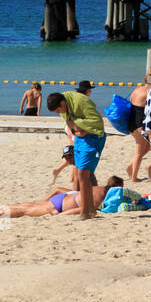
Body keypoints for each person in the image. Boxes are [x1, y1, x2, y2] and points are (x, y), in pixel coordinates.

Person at [46, 88, 106, 219]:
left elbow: (97, 122)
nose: (58, 114)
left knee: (82, 174)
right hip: (80, 139)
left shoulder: (81, 101)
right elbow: (72, 127)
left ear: (62, 104)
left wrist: (78, 126)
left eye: (58, 111)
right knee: (84, 173)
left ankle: (84, 212)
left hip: (94, 138)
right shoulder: (64, 107)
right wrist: (78, 130)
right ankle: (91, 210)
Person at [0, 177, 122, 220]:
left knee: (32, 206)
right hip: (60, 206)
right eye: (120, 188)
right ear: (115, 187)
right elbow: (81, 209)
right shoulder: (100, 196)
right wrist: (61, 215)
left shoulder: (98, 188)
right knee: (26, 211)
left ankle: (7, 208)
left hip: (63, 198)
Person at [125, 77, 151, 181]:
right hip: (138, 125)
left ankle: (130, 167)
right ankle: (134, 177)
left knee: (147, 147)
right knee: (139, 152)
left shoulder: (137, 89)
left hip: (131, 122)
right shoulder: (148, 93)